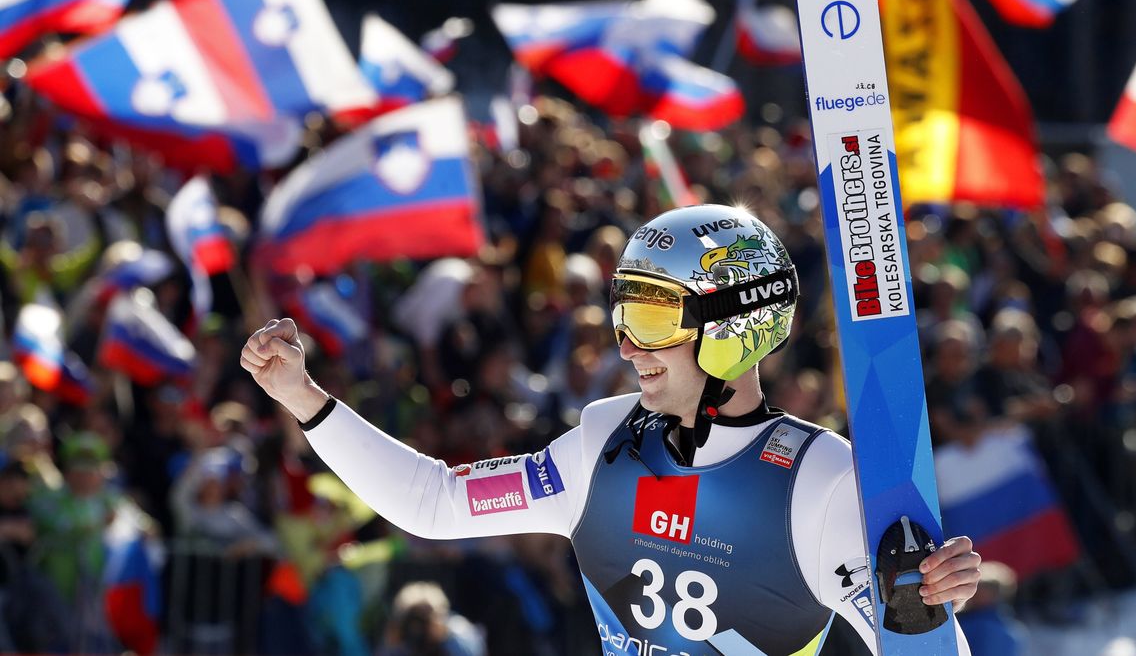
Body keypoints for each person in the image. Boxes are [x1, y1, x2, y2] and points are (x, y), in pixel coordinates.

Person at [242, 205, 981, 655]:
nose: (626, 346)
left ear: (736, 328)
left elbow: (918, 643)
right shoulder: (601, 443)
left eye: (653, 318)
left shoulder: (819, 478)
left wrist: (927, 602)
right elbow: (432, 502)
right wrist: (305, 399)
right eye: (624, 316)